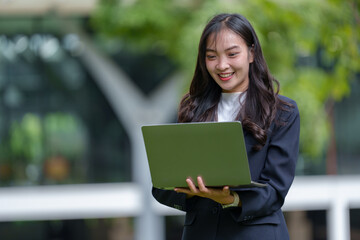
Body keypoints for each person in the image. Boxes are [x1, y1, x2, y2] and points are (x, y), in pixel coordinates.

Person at [152, 13, 300, 240]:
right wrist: (192, 193)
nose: (222, 65)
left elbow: (274, 191)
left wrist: (232, 200)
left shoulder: (282, 112)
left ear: (251, 53)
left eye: (232, 54)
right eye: (212, 56)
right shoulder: (192, 110)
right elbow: (162, 185)